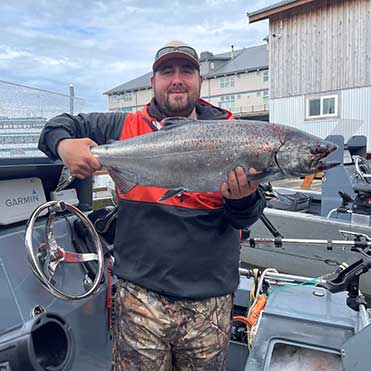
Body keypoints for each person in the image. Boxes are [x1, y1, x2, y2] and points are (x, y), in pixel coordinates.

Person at [38, 40, 266, 371]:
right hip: (138, 300)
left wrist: (243, 198)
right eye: (166, 71)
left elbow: (246, 216)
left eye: (186, 71)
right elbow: (55, 127)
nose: (177, 79)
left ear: (200, 81)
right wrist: (64, 145)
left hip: (210, 304)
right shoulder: (122, 126)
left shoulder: (234, 135)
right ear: (153, 82)